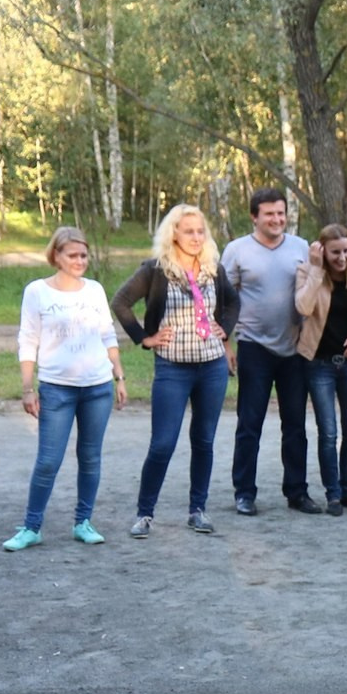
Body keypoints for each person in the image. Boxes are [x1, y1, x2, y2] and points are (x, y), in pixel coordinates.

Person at [111, 203, 238, 537]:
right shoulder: (155, 270)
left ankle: (198, 510)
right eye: (188, 231)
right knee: (163, 443)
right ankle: (145, 514)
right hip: (172, 369)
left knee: (204, 440)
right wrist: (144, 338)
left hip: (211, 367)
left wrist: (225, 329)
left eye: (200, 231)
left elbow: (233, 301)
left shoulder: (213, 268)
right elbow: (120, 302)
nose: (196, 237)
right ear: (174, 234)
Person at [6, 225, 124, 551]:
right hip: (57, 389)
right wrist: (28, 387)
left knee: (90, 457)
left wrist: (119, 375)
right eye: (72, 255)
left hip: (97, 387)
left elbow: (107, 334)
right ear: (56, 256)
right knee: (48, 460)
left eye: (84, 255)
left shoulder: (95, 290)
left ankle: (83, 522)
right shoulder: (37, 291)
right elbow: (28, 339)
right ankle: (31, 527)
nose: (80, 261)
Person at [222, 186, 314, 516]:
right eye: (269, 214)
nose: (277, 219)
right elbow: (223, 299)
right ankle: (244, 493)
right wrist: (225, 343)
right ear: (254, 217)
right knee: (250, 424)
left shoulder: (301, 247)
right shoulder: (237, 251)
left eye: (281, 213)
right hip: (253, 347)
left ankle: (297, 492)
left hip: (294, 349)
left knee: (296, 425)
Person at [293, 224, 347, 514]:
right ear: (322, 251)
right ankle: (333, 495)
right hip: (319, 364)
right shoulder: (307, 271)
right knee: (328, 432)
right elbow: (303, 308)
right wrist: (316, 269)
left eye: (346, 251)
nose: (342, 258)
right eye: (335, 252)